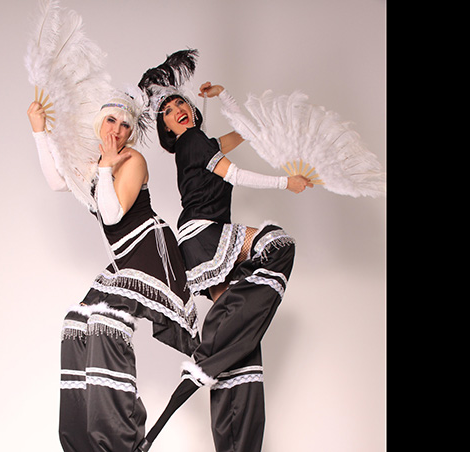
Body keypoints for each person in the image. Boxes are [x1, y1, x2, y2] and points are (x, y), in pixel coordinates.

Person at [135, 49, 312, 452]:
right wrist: (289, 182)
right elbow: (235, 174)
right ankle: (207, 356)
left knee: (240, 342)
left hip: (201, 240)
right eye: (167, 110)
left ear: (194, 110)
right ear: (164, 128)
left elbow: (248, 132)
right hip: (204, 234)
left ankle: (217, 376)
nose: (177, 109)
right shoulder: (193, 142)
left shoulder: (202, 142)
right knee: (276, 243)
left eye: (181, 103)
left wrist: (226, 96)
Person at [27, 93, 200, 452]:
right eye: (111, 122)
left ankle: (118, 442)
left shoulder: (131, 159)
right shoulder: (96, 161)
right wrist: (39, 132)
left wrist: (107, 166)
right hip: (124, 260)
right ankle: (81, 442)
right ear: (99, 123)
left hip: (150, 253)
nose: (118, 131)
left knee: (106, 324)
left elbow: (112, 215)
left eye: (125, 125)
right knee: (75, 323)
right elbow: (59, 181)